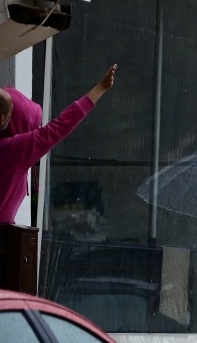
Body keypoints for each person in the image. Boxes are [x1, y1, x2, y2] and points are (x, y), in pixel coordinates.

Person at [0, 65, 117, 224]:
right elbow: (58, 128)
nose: (39, 128)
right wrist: (100, 88)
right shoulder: (13, 150)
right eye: (36, 123)